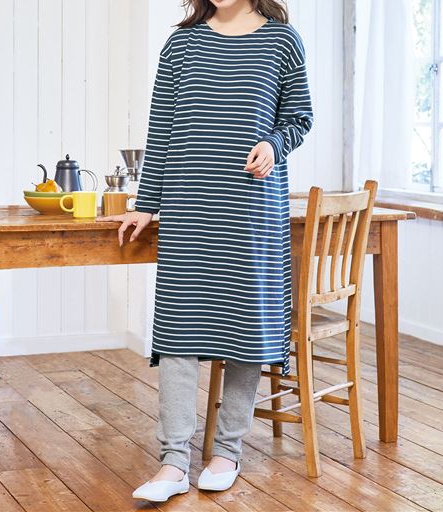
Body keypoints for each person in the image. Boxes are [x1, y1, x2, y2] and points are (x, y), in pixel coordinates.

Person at [96, 0, 313, 503]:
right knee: (180, 328)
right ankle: (173, 461)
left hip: (251, 206)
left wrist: (274, 145)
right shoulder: (181, 44)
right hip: (188, 205)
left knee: (246, 328)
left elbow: (299, 117)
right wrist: (146, 203)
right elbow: (163, 129)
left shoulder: (282, 40)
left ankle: (228, 452)